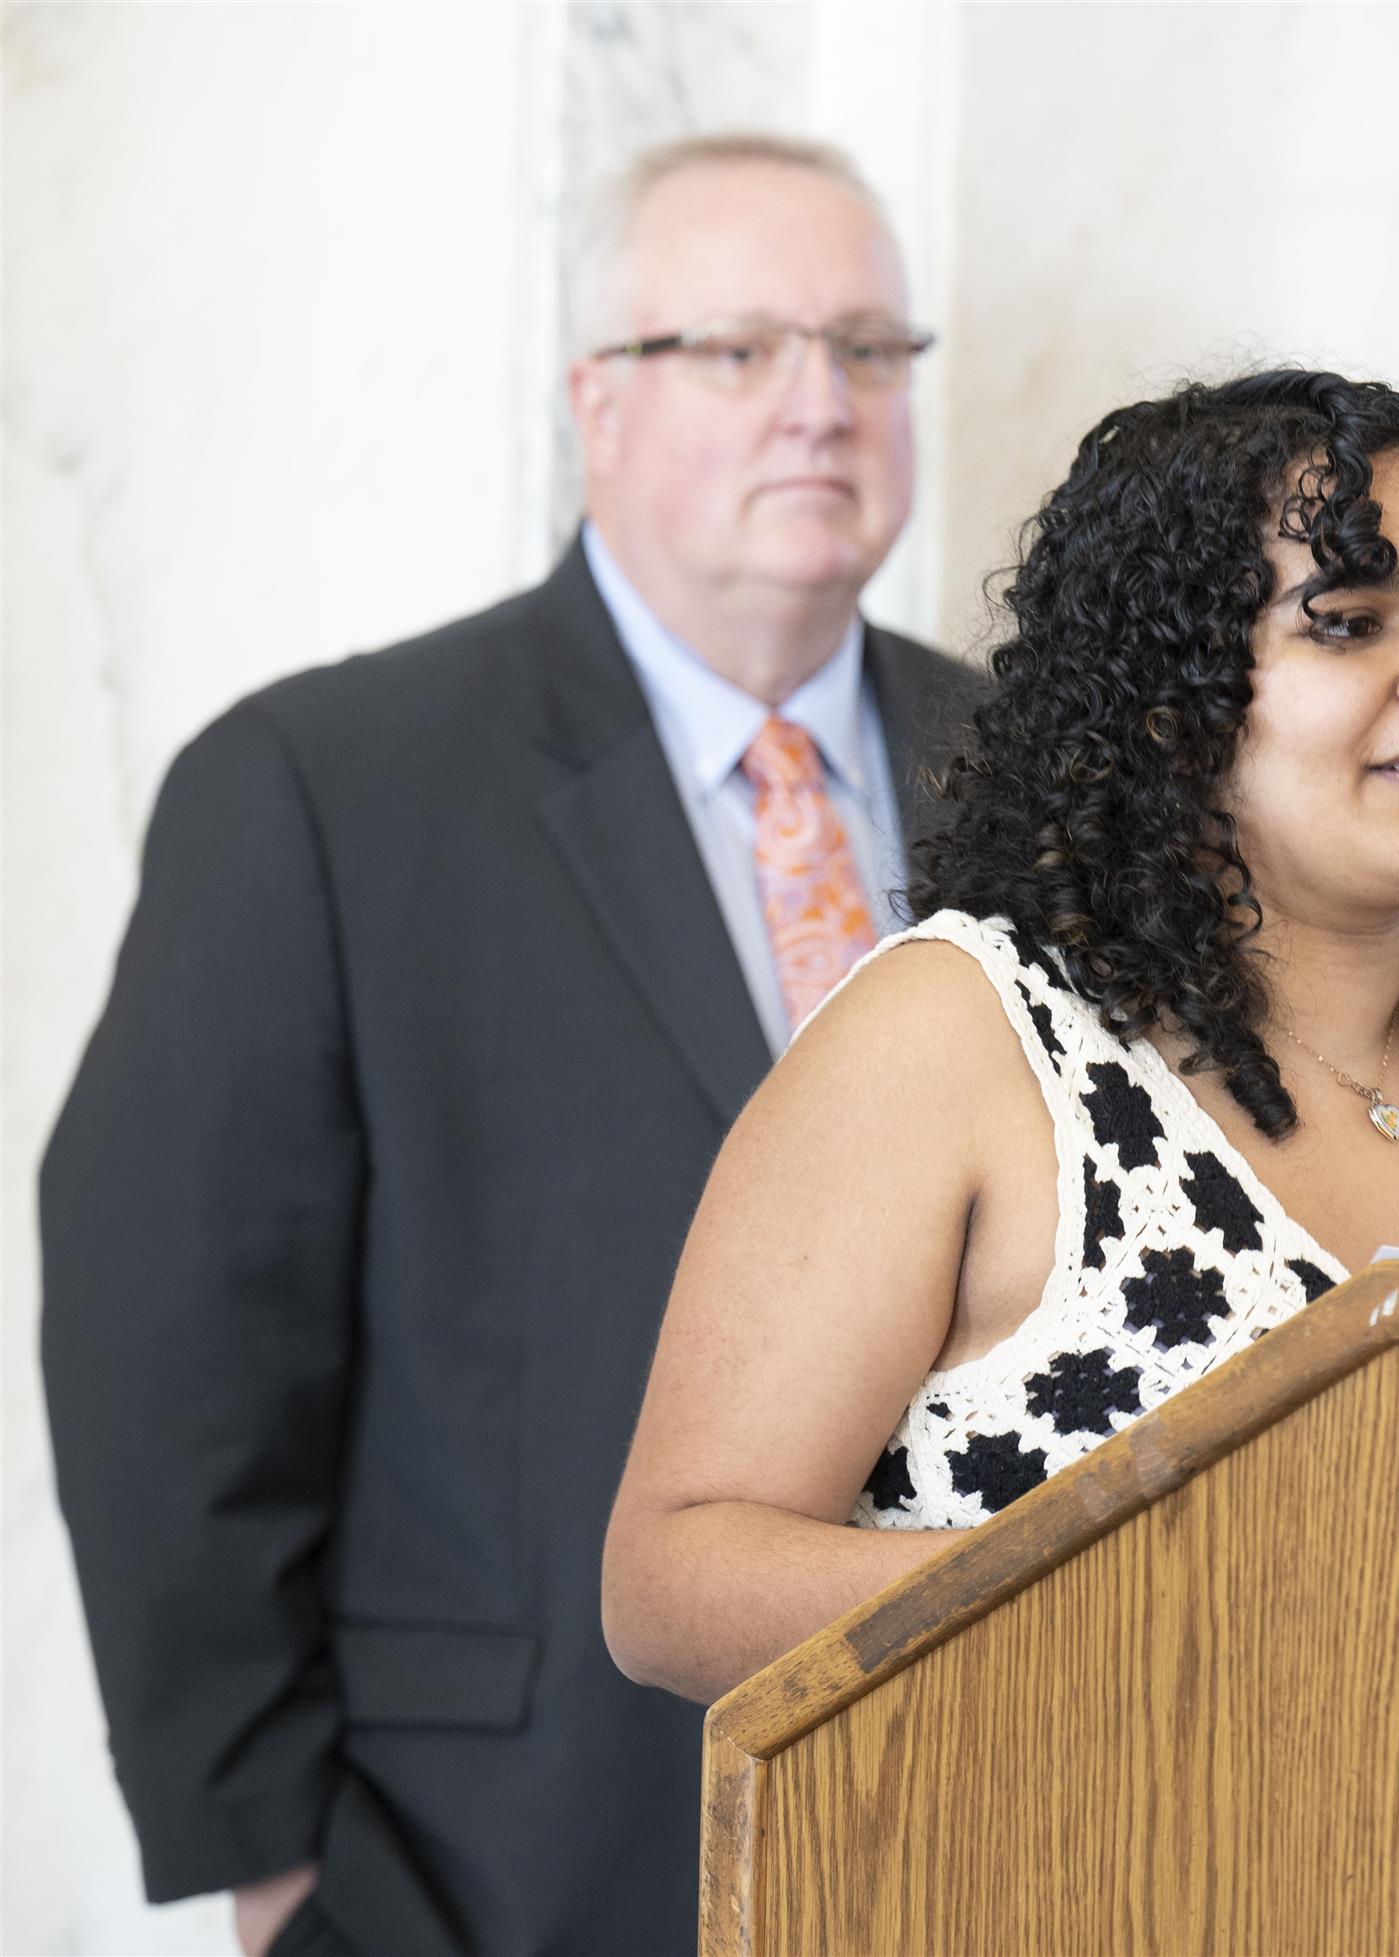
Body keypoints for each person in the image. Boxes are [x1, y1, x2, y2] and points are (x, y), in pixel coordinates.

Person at [40, 134, 976, 1957]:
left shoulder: (1043, 784)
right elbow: (170, 1349)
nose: (821, 404)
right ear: (593, 402)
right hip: (481, 1859)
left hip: (969, 1823)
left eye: (869, 349)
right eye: (741, 348)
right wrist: (271, 1858)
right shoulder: (325, 788)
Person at [602, 368, 1399, 1707]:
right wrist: (1167, 1600)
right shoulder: (965, 1034)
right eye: (1348, 623)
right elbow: (672, 1584)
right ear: (1169, 696)